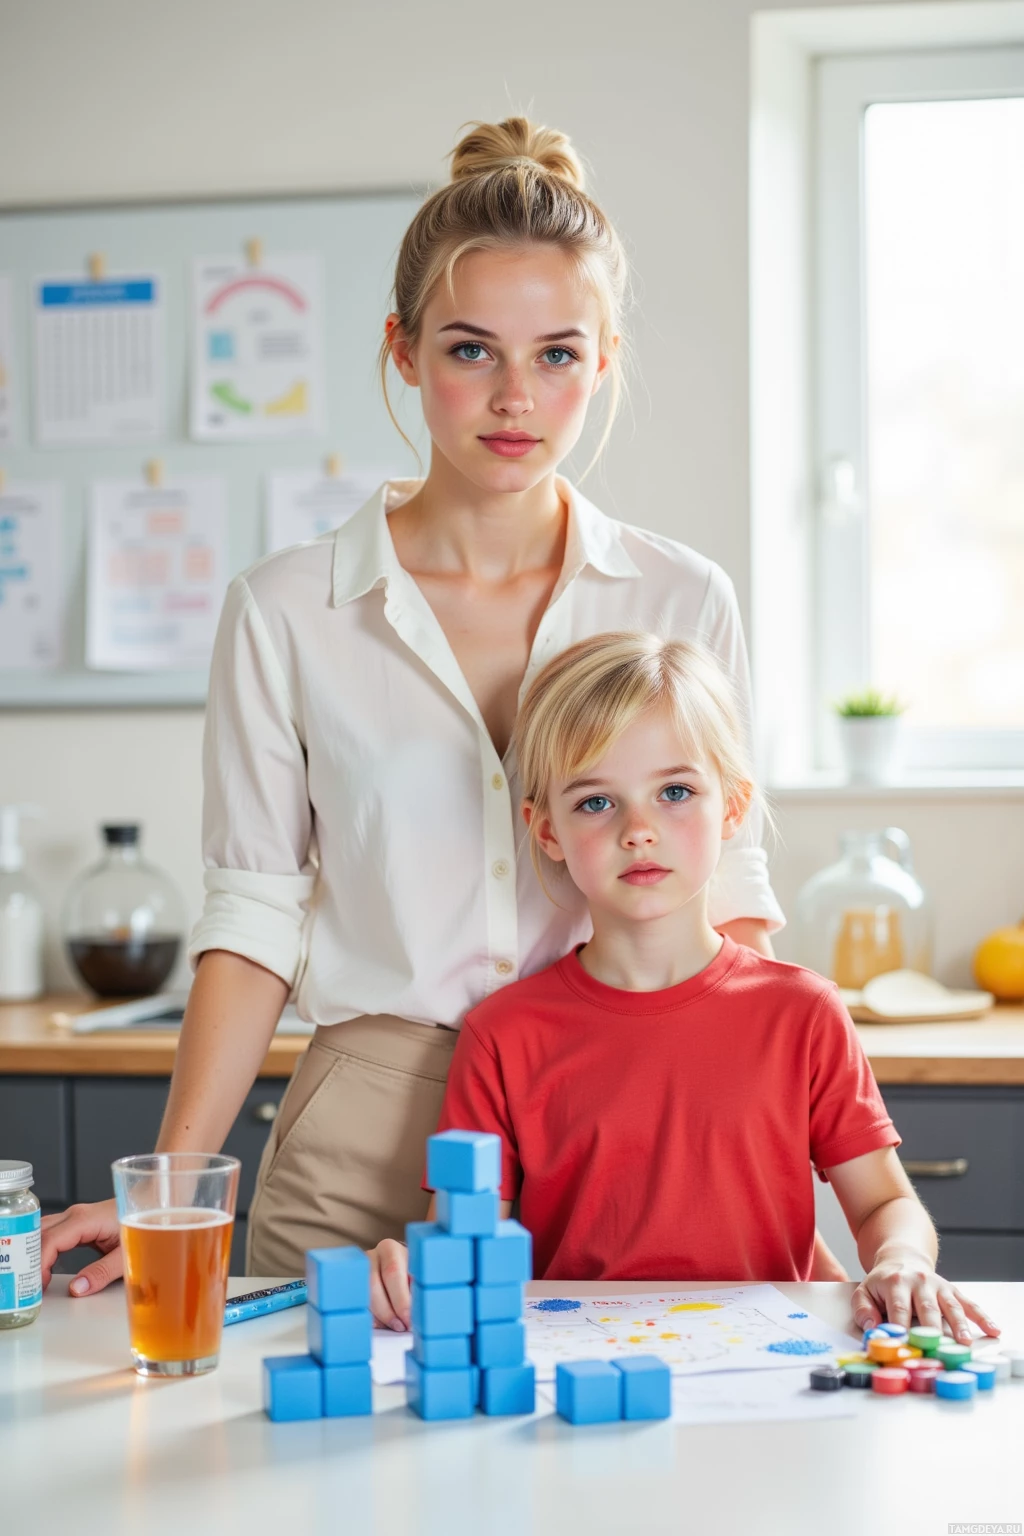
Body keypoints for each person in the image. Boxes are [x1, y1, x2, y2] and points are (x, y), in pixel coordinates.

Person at [42, 116, 836, 1294]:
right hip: (363, 1130)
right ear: (404, 352)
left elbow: (727, 888)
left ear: (604, 359)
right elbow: (254, 915)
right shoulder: (287, 609)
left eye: (558, 354)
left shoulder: (678, 596)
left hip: (621, 1123)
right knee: (307, 1471)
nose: (515, 397)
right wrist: (169, 1189)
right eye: (472, 351)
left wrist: (770, 1157)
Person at [367, 633, 1000, 1346]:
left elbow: (885, 1200)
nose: (639, 830)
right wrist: (405, 1270)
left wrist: (902, 1260)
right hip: (578, 1371)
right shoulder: (502, 1035)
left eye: (674, 792)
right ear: (546, 831)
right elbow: (458, 1244)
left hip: (773, 1370)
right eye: (596, 802)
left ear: (731, 808)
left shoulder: (803, 1013)